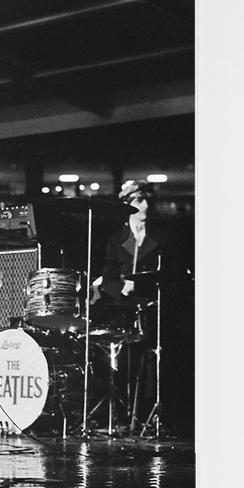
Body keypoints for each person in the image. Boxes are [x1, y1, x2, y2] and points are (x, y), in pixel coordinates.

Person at [97, 179, 193, 434]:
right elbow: (107, 278)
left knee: (154, 363)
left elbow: (176, 276)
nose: (146, 205)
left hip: (154, 309)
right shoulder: (116, 239)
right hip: (124, 309)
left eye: (147, 199)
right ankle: (122, 414)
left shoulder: (165, 237)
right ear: (127, 205)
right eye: (139, 200)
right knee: (122, 361)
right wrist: (120, 289)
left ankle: (150, 413)